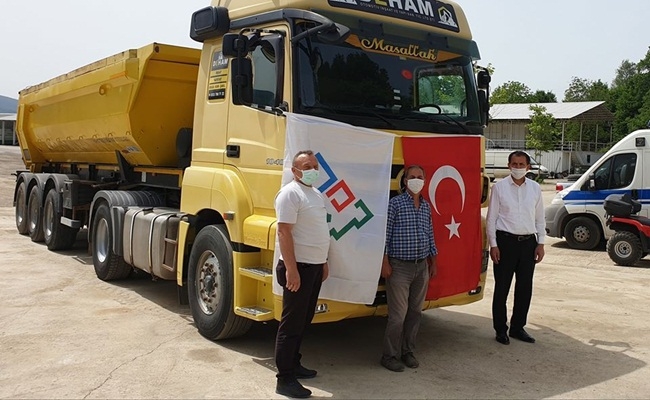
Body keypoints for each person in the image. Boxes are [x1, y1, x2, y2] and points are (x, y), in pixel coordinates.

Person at [274, 150, 330, 398]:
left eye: (315, 166)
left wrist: (323, 262)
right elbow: (284, 232)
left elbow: (318, 230)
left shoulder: (315, 194)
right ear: (295, 171)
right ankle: (284, 378)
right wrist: (292, 270)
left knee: (304, 319)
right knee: (291, 324)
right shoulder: (290, 193)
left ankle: (294, 363)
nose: (312, 170)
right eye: (307, 166)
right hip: (299, 268)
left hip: (314, 267)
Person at [380, 165, 437, 372]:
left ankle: (407, 351)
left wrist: (433, 261)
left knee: (415, 312)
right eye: (412, 177)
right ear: (405, 181)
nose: (416, 180)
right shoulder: (395, 204)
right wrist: (385, 262)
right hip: (399, 267)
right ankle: (389, 355)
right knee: (398, 316)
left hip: (421, 267)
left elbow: (430, 234)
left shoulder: (426, 206)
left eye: (420, 177)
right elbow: (385, 234)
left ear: (425, 180)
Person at [486, 150, 545, 345]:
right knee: (502, 288)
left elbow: (539, 218)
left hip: (528, 244)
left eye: (521, 164)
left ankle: (518, 327)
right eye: (515, 164)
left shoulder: (535, 188)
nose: (518, 168)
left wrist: (541, 243)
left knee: (524, 288)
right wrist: (493, 245)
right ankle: (500, 329)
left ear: (528, 167)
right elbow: (491, 218)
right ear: (509, 165)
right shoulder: (499, 188)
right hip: (505, 243)